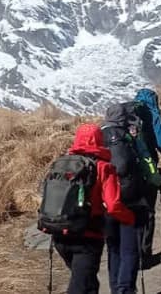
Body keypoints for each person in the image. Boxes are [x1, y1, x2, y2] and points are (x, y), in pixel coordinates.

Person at [53, 123, 135, 294]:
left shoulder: (61, 164)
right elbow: (113, 206)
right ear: (100, 140)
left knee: (87, 282)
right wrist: (130, 218)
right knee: (80, 286)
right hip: (87, 236)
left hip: (59, 233)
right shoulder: (104, 167)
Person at [102, 103, 153, 294]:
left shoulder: (99, 137)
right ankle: (125, 289)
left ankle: (116, 288)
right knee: (130, 249)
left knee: (113, 248)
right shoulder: (129, 137)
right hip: (130, 200)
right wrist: (154, 179)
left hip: (106, 202)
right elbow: (144, 162)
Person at [132, 88, 161, 264]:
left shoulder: (126, 117)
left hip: (125, 173)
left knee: (129, 212)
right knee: (147, 212)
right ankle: (144, 254)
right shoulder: (151, 115)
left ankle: (129, 253)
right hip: (148, 171)